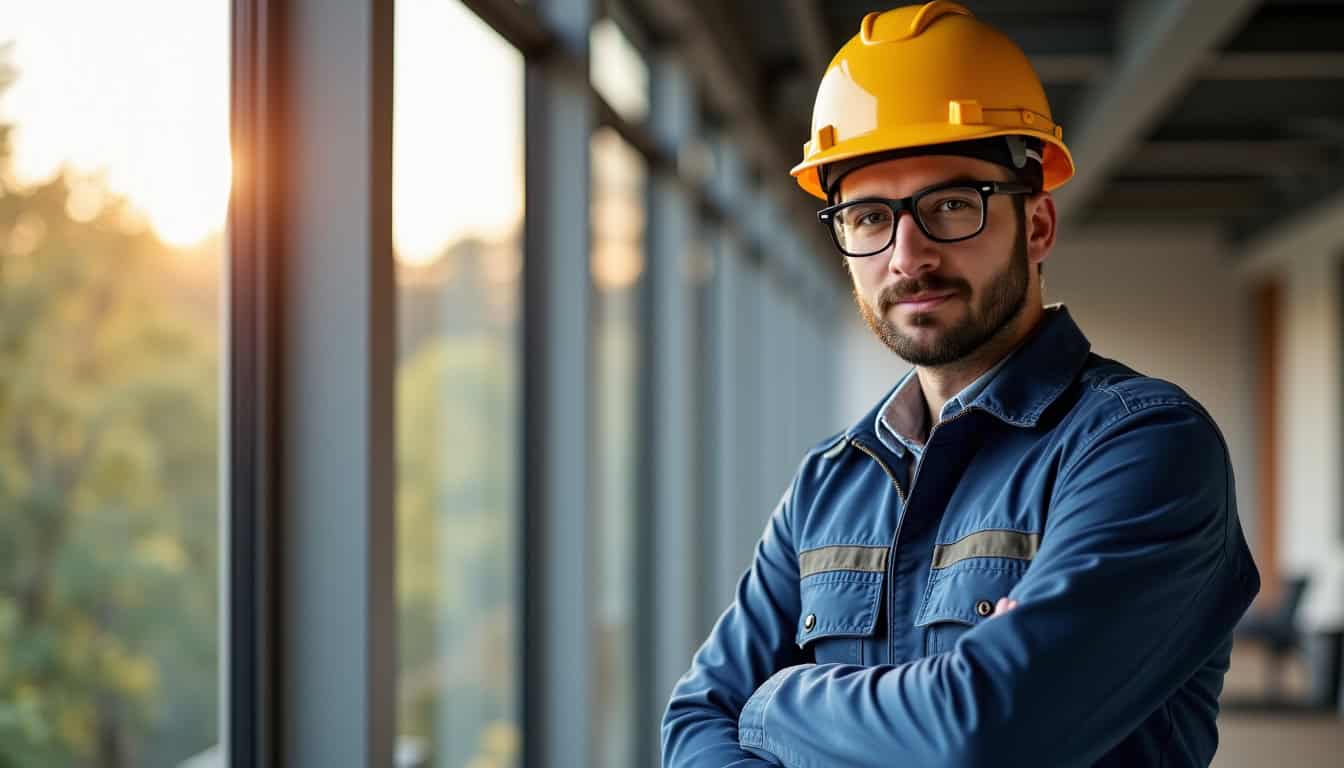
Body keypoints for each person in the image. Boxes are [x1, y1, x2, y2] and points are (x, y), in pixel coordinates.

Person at [661, 2, 1261, 766]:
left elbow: (984, 733)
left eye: (950, 205)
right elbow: (694, 724)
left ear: (1037, 225)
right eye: (870, 216)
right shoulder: (829, 483)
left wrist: (780, 699)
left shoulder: (1145, 448)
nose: (907, 256)